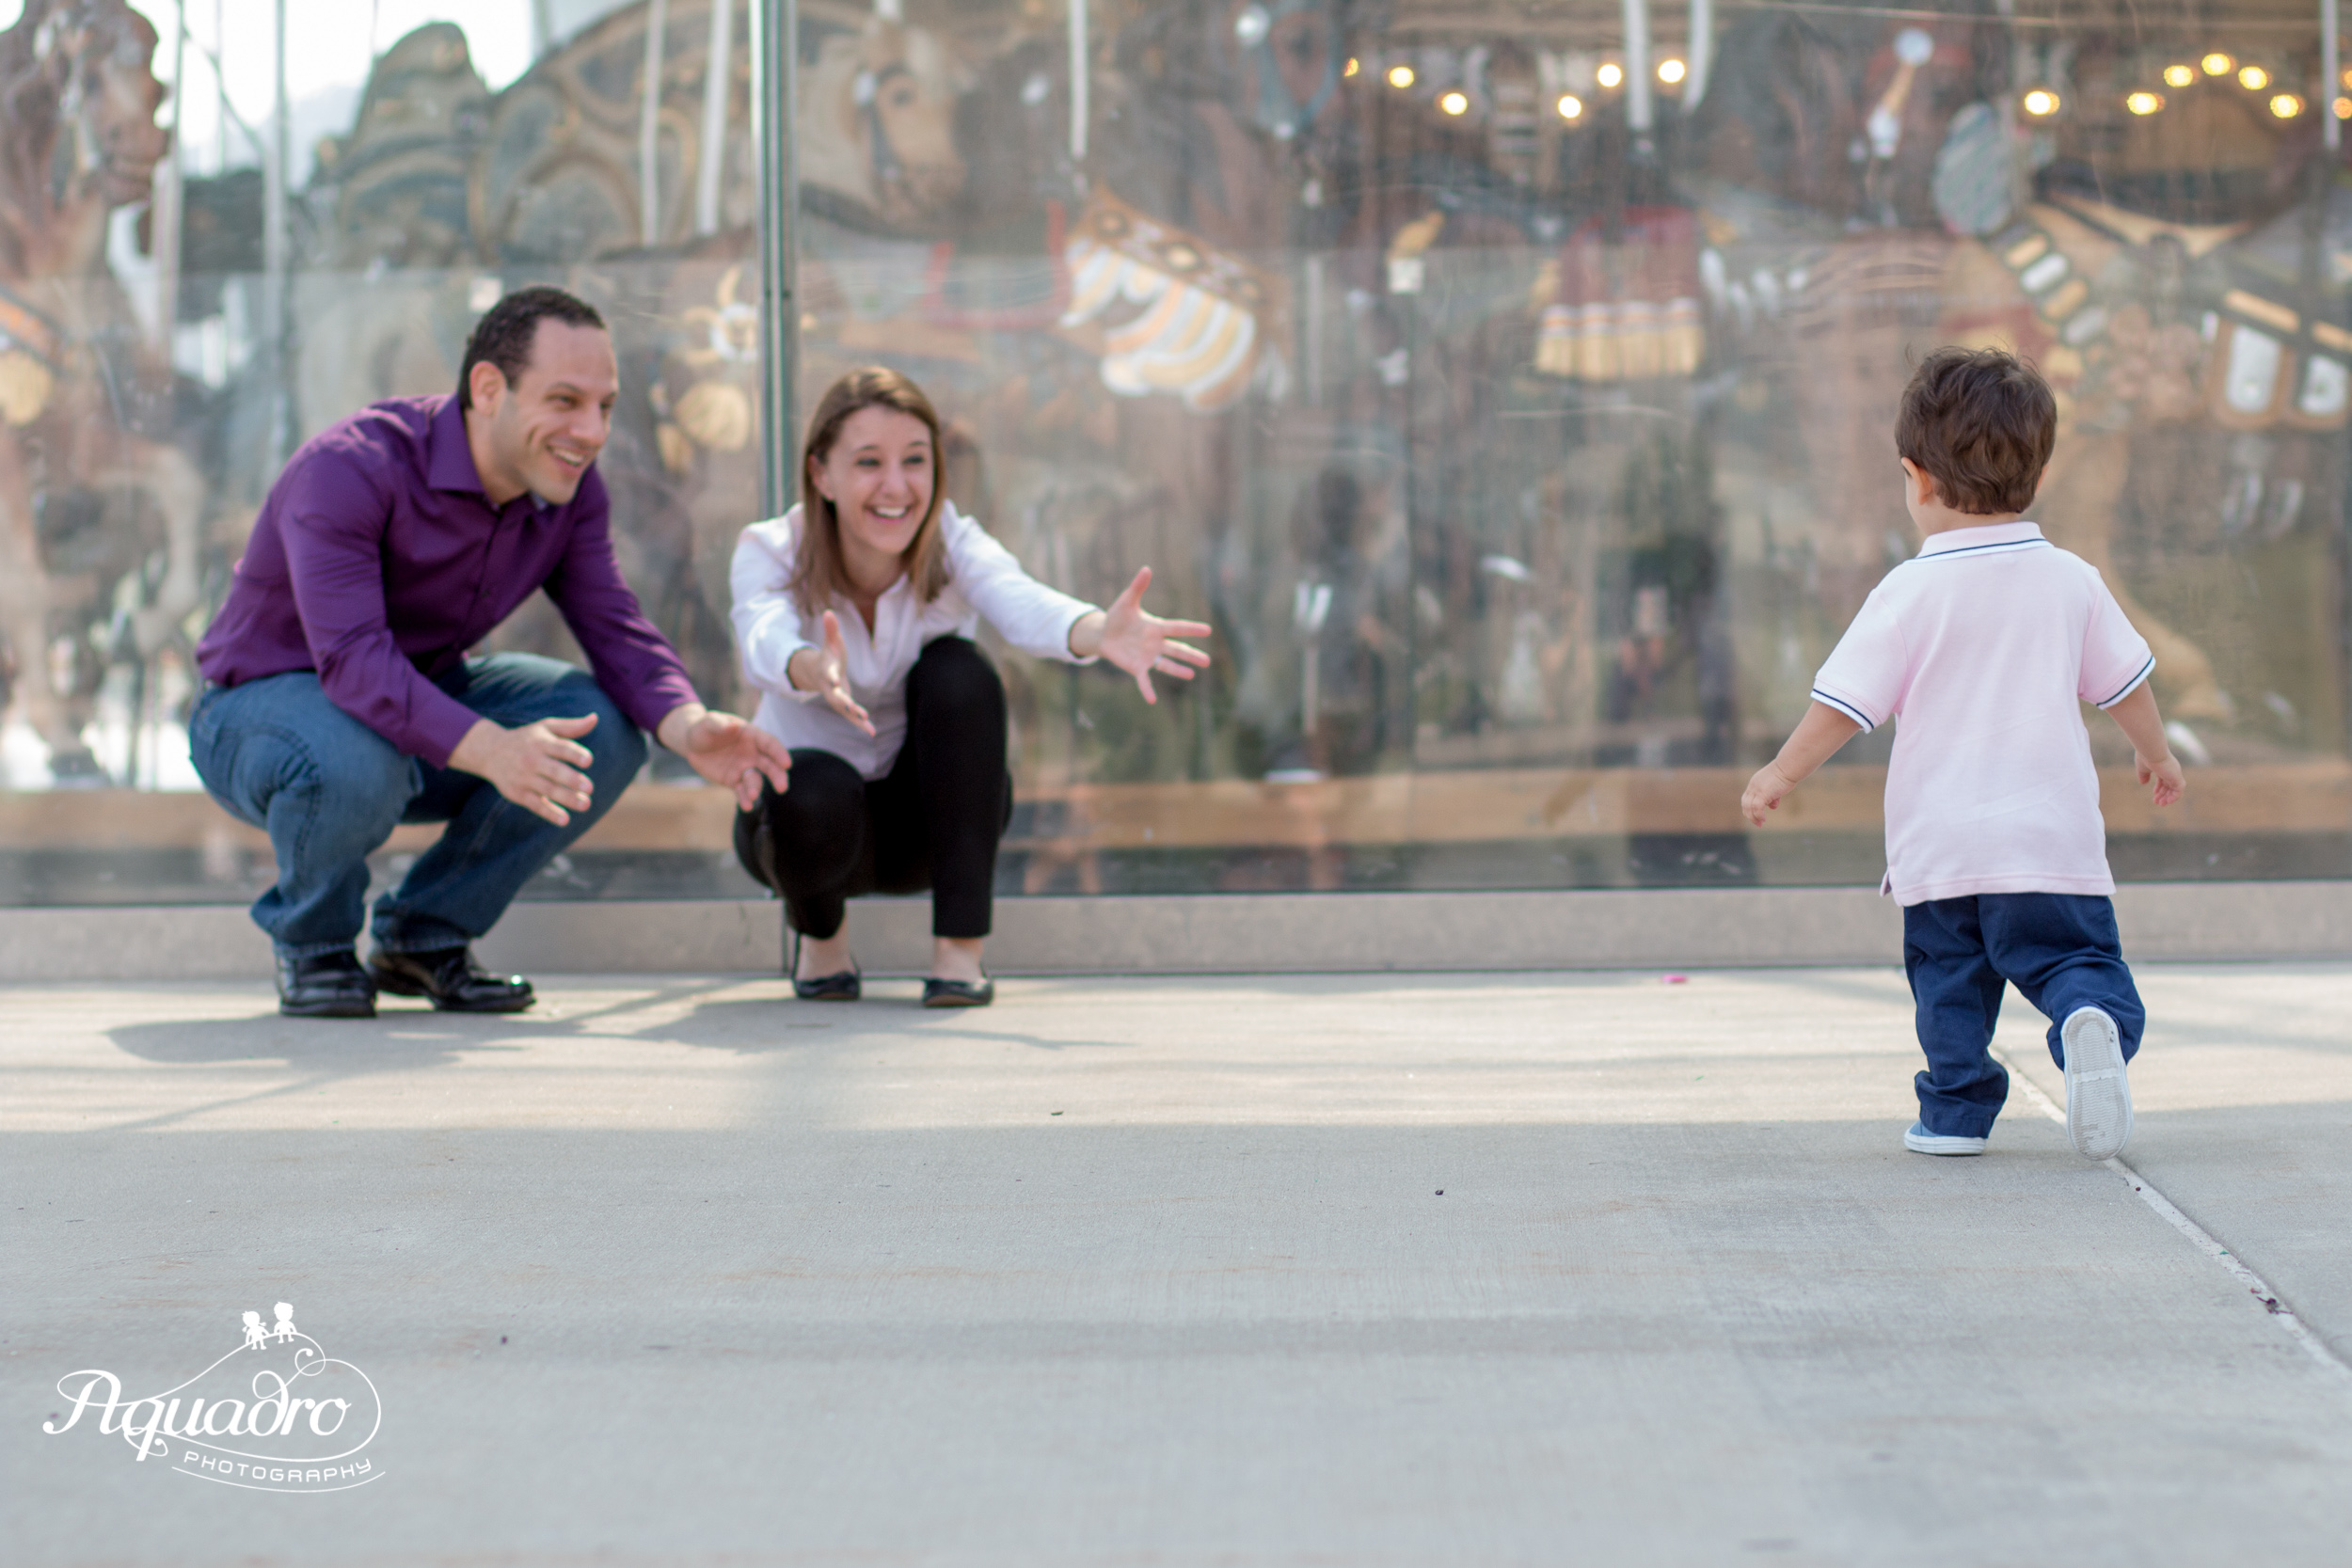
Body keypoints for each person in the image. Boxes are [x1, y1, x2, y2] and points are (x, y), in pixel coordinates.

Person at [192, 287, 790, 1019]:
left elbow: (615, 622)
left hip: (414, 704)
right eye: (565, 400)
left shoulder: (569, 490)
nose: (592, 430)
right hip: (261, 715)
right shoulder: (349, 469)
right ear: (487, 388)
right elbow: (351, 662)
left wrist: (689, 723)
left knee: (598, 729)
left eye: (605, 405)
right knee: (356, 753)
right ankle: (314, 944)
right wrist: (492, 749)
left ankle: (425, 936)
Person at [1740, 346, 2185, 1163]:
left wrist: (1780, 772)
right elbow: (2124, 684)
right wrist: (2155, 755)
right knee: (2074, 959)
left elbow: (1843, 708)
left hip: (1941, 847)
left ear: (1916, 478)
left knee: (1948, 981)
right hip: (2047, 844)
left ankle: (1953, 1112)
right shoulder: (2071, 580)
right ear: (2036, 474)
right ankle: (2089, 1020)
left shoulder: (1906, 592)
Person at [731, 367, 1211, 1007]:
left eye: (915, 461)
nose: (896, 486)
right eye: (869, 462)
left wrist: (1098, 631)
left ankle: (959, 955)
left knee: (961, 671)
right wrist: (807, 666)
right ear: (821, 473)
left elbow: (1019, 601)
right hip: (800, 832)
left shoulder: (954, 543)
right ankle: (822, 943)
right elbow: (760, 630)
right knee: (811, 786)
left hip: (918, 831)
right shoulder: (771, 547)